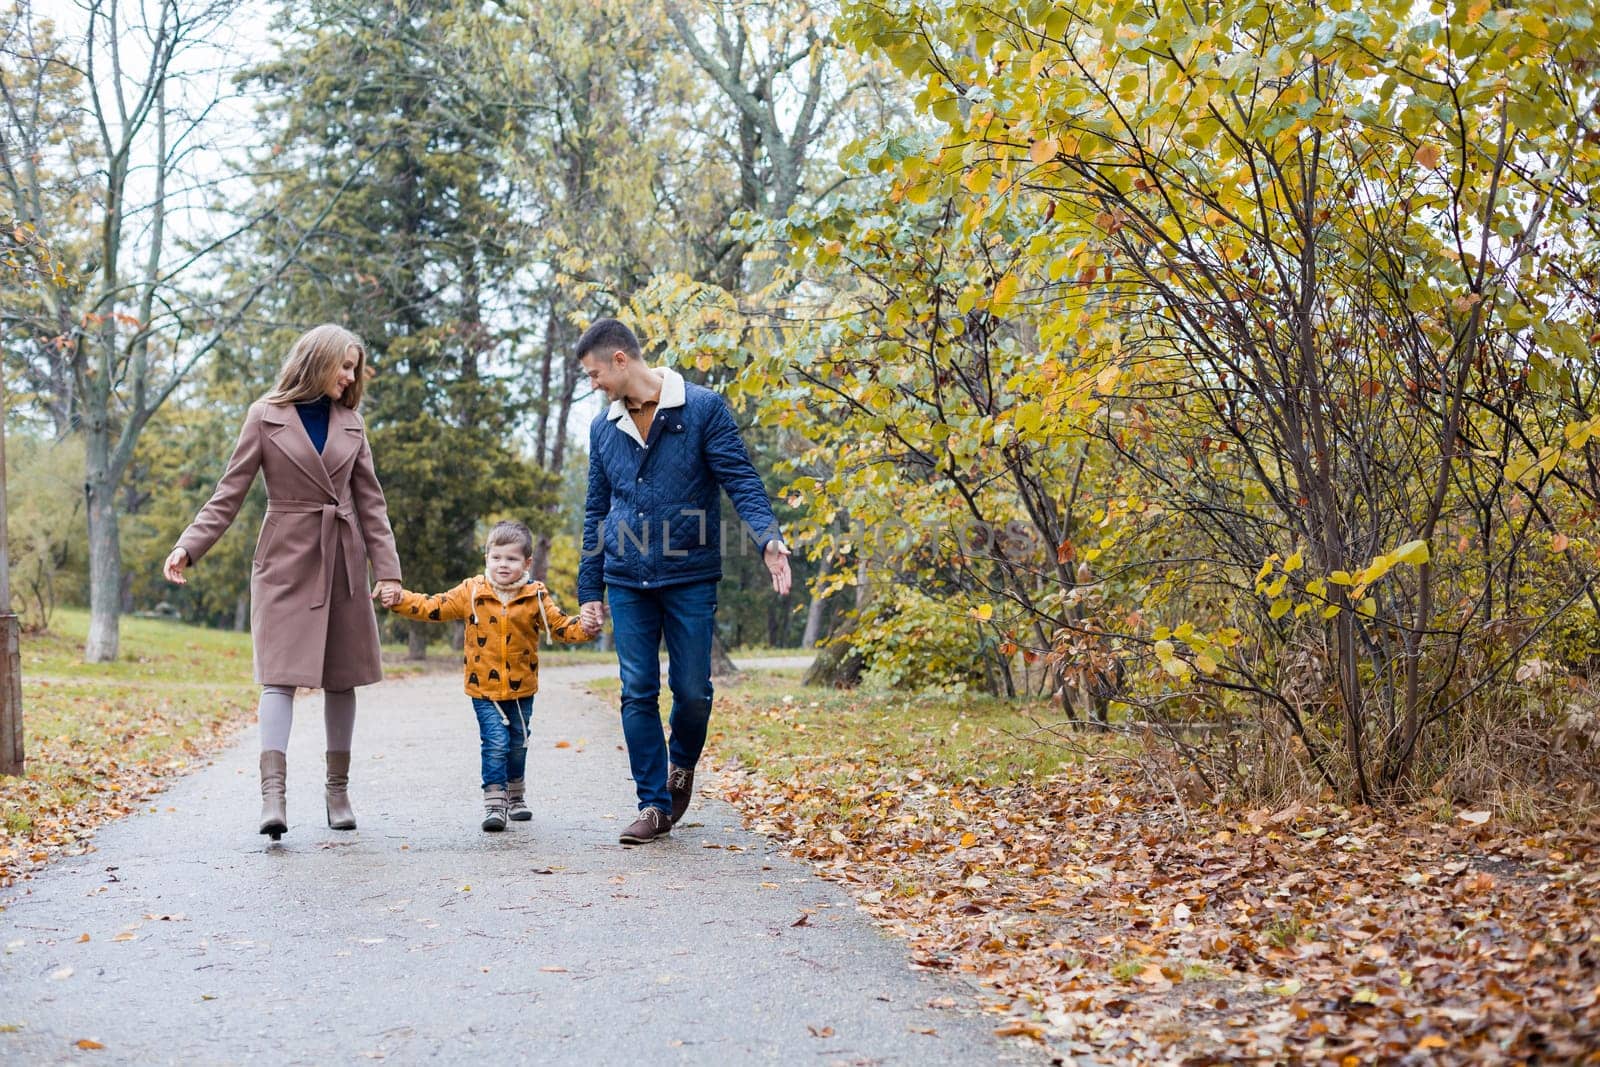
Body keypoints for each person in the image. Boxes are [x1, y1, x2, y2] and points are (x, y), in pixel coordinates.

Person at [163, 324, 402, 841]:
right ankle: (273, 796)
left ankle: (337, 791)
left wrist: (387, 573)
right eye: (344, 364)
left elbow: (371, 504)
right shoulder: (263, 415)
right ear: (316, 361)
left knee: (343, 676)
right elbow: (230, 492)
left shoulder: (352, 423)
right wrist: (189, 544)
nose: (350, 376)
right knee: (278, 676)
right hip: (283, 560)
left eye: (354, 367)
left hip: (341, 558)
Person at [576, 318, 791, 844]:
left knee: (692, 692)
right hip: (627, 576)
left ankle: (682, 765)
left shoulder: (702, 408)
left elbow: (740, 477)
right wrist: (589, 591)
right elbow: (596, 510)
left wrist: (767, 536)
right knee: (636, 691)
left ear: (621, 360)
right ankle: (652, 804)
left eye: (595, 373)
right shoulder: (604, 427)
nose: (593, 384)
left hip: (689, 572)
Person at [379, 520, 598, 831]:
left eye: (511, 559)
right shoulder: (472, 592)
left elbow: (560, 626)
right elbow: (433, 606)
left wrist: (586, 628)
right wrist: (400, 599)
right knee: (495, 742)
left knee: (519, 743)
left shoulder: (535, 596)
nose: (503, 565)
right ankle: (495, 804)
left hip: (522, 688)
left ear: (527, 562)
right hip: (484, 688)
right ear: (486, 558)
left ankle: (516, 794)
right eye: (496, 558)